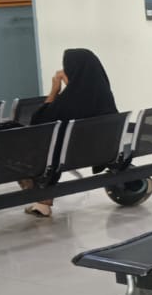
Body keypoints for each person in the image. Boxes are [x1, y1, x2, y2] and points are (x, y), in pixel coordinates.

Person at [20, 48, 118, 217]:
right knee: (55, 147)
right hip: (99, 153)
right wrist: (71, 86)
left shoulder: (69, 101)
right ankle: (43, 200)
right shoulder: (105, 95)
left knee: (39, 147)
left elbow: (38, 121)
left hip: (64, 156)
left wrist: (55, 90)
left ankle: (42, 198)